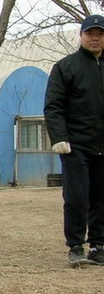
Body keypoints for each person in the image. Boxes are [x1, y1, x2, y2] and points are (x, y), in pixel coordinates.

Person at [44, 14, 104, 268]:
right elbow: (53, 106)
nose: (95, 38)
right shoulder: (65, 67)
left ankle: (99, 246)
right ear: (80, 36)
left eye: (99, 34)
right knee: (77, 196)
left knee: (101, 197)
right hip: (75, 145)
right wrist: (60, 138)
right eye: (90, 33)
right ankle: (76, 246)